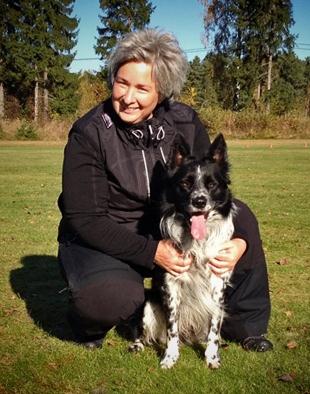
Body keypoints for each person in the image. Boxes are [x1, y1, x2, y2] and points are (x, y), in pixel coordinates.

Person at [57, 29, 273, 352]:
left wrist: (239, 242)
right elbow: (84, 219)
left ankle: (246, 324)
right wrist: (152, 252)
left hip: (170, 224)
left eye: (142, 88)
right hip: (110, 233)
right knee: (107, 298)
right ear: (112, 79)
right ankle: (103, 318)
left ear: (162, 89)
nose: (129, 97)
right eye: (122, 83)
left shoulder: (184, 121)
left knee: (245, 223)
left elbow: (212, 187)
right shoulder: (89, 133)